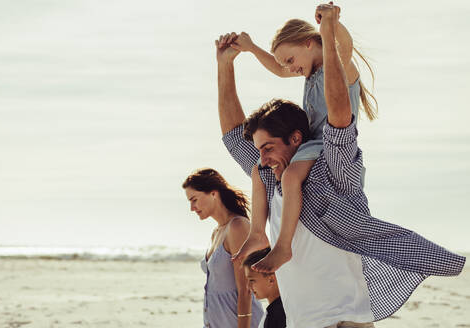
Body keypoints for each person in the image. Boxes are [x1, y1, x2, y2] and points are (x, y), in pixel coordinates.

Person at [214, 3, 465, 328]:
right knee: (258, 172)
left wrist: (329, 30)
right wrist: (226, 65)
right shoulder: (271, 176)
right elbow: (235, 136)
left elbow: (339, 113)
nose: (262, 157)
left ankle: (281, 246)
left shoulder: (334, 167)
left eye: (268, 147)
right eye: (260, 150)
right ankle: (264, 238)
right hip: (302, 323)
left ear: (294, 138)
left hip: (343, 322)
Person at [223, 4, 377, 272]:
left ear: (309, 44)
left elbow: (344, 46)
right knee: (259, 172)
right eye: (287, 64)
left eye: (291, 60)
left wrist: (330, 24)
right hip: (309, 146)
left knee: (292, 177)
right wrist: (251, 48)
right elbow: (278, 69)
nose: (289, 69)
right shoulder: (308, 70)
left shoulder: (337, 65)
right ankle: (258, 233)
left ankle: (283, 246)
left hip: (327, 143)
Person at [182, 168, 264, 328]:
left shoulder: (237, 226)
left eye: (194, 200)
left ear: (213, 193)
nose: (192, 208)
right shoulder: (216, 232)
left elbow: (245, 289)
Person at [243, 248, 286, 328]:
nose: (248, 286)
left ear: (271, 279)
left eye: (252, 280)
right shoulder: (279, 310)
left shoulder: (276, 317)